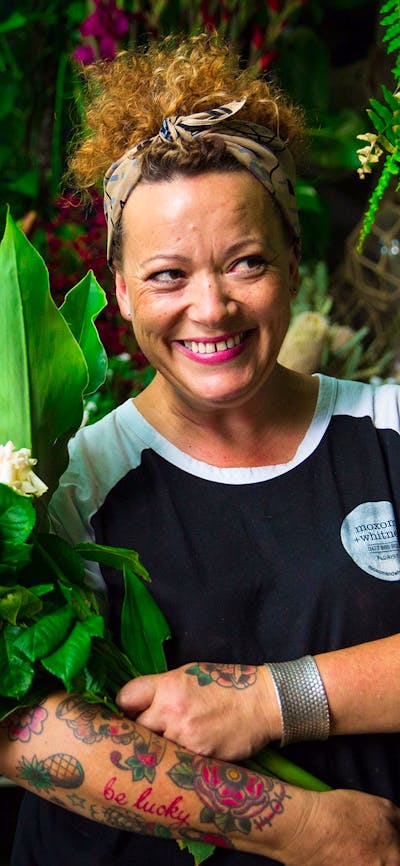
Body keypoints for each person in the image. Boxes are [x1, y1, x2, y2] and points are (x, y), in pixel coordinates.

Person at [4, 32, 400, 866]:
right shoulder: (61, 485)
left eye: (246, 262)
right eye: (167, 275)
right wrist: (306, 827)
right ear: (117, 288)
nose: (211, 308)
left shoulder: (389, 435)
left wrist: (273, 700)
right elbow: (19, 728)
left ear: (295, 261)